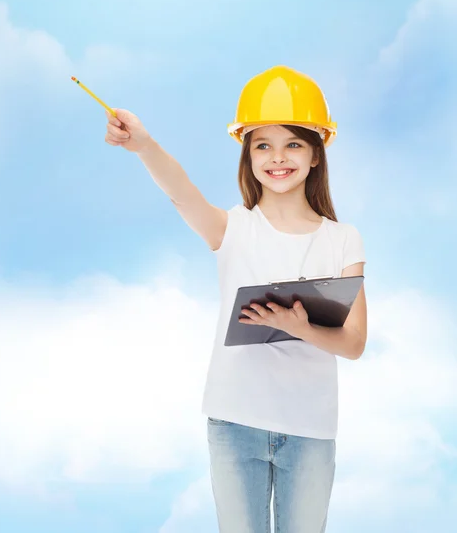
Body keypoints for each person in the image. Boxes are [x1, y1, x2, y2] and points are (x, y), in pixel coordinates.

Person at [103, 65, 367, 533]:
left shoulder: (342, 240)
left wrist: (301, 328)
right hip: (234, 421)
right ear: (247, 155)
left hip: (310, 428)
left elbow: (354, 343)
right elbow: (180, 192)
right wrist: (143, 145)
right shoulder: (232, 228)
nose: (276, 157)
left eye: (292, 144)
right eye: (262, 144)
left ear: (316, 154)